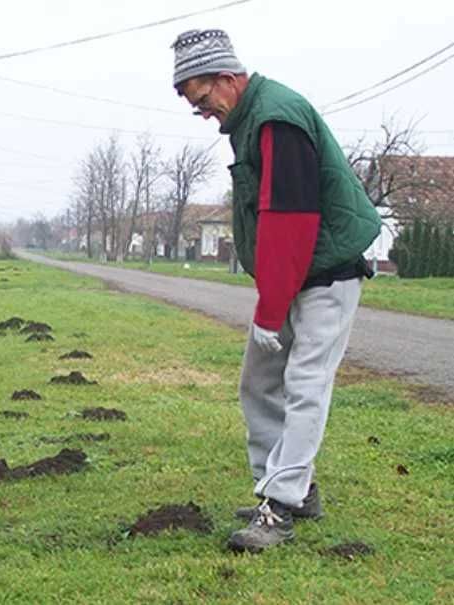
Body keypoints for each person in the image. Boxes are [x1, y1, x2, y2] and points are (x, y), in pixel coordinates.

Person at [171, 29, 381, 553]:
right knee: (259, 381)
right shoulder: (250, 118)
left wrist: (270, 311)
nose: (204, 114)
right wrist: (272, 298)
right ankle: (291, 488)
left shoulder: (276, 119)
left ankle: (280, 510)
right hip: (296, 275)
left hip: (327, 273)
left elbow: (289, 221)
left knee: (305, 384)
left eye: (203, 100)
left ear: (227, 78)